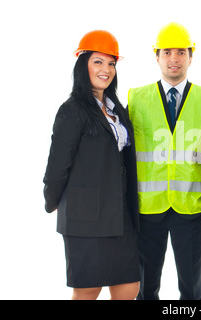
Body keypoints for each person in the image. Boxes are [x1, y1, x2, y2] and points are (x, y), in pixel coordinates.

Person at [43, 30, 141, 300]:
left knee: (129, 287)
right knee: (88, 290)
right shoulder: (72, 110)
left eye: (111, 63)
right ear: (82, 64)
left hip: (120, 214)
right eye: (98, 61)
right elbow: (57, 165)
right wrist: (52, 201)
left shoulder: (115, 108)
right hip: (85, 218)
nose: (106, 70)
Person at [127, 22, 201, 300]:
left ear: (191, 56)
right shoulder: (135, 99)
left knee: (192, 288)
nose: (174, 58)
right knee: (145, 287)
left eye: (181, 52)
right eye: (167, 52)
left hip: (190, 209)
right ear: (156, 56)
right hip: (147, 208)